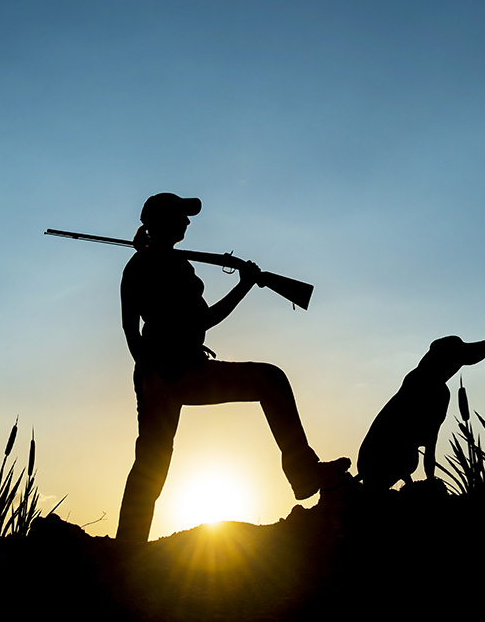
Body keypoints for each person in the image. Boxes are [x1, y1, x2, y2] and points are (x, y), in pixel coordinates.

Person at [116, 192, 350, 542]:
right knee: (153, 462)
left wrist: (242, 286)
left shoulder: (178, 264)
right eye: (181, 215)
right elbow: (130, 328)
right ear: (161, 221)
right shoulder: (143, 266)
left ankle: (127, 545)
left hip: (187, 369)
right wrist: (150, 373)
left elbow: (204, 320)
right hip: (167, 373)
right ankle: (126, 548)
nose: (188, 221)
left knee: (154, 459)